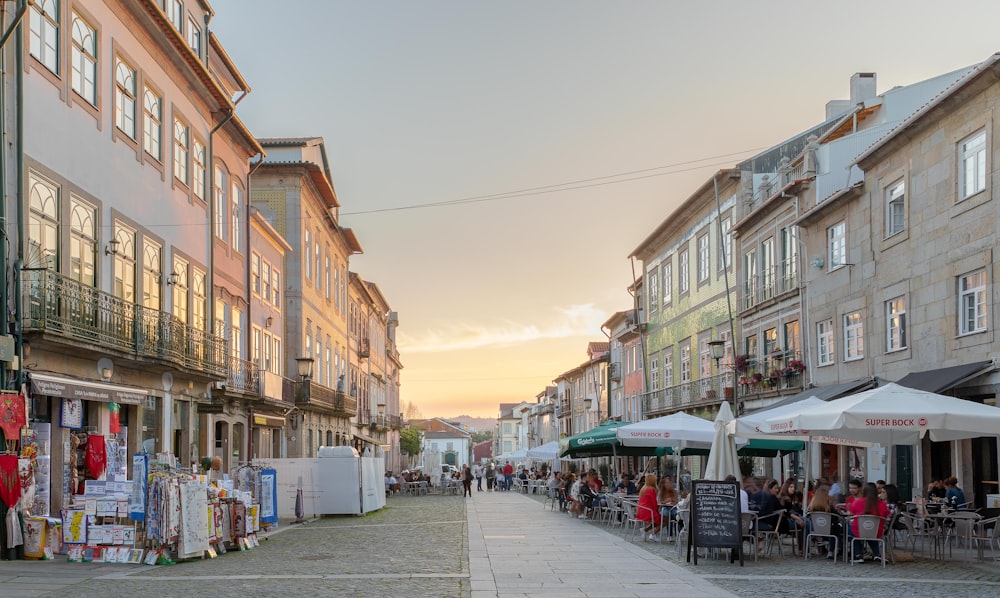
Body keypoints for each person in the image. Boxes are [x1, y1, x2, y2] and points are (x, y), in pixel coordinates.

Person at [848, 483, 889, 563]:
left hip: (859, 532)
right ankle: (876, 554)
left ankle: (858, 555)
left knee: (850, 529)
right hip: (876, 532)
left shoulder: (857, 503)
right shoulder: (882, 505)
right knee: (871, 531)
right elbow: (886, 515)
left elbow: (851, 513)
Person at [637, 473, 662, 540]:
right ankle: (652, 533)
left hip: (641, 511)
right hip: (647, 511)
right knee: (662, 519)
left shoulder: (643, 489)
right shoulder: (651, 489)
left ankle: (646, 530)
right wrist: (657, 508)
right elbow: (654, 503)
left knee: (659, 518)